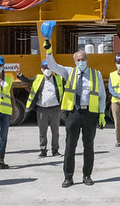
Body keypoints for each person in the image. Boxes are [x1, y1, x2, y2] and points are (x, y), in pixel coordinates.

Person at [45, 40, 106, 188]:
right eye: (78, 60)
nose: (81, 62)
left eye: (83, 59)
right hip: (73, 113)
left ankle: (87, 175)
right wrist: (48, 51)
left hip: (90, 114)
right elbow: (52, 66)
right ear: (74, 61)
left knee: (89, 146)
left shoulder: (95, 74)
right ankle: (68, 177)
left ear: (87, 60)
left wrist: (102, 113)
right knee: (70, 146)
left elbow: (102, 96)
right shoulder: (69, 72)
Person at [18, 60, 63, 158]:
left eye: (49, 68)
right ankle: (43, 151)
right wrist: (20, 74)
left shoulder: (58, 79)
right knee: (43, 131)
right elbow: (27, 80)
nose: (47, 70)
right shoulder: (38, 78)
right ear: (41, 69)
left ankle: (55, 151)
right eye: (45, 68)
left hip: (55, 109)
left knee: (55, 131)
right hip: (42, 110)